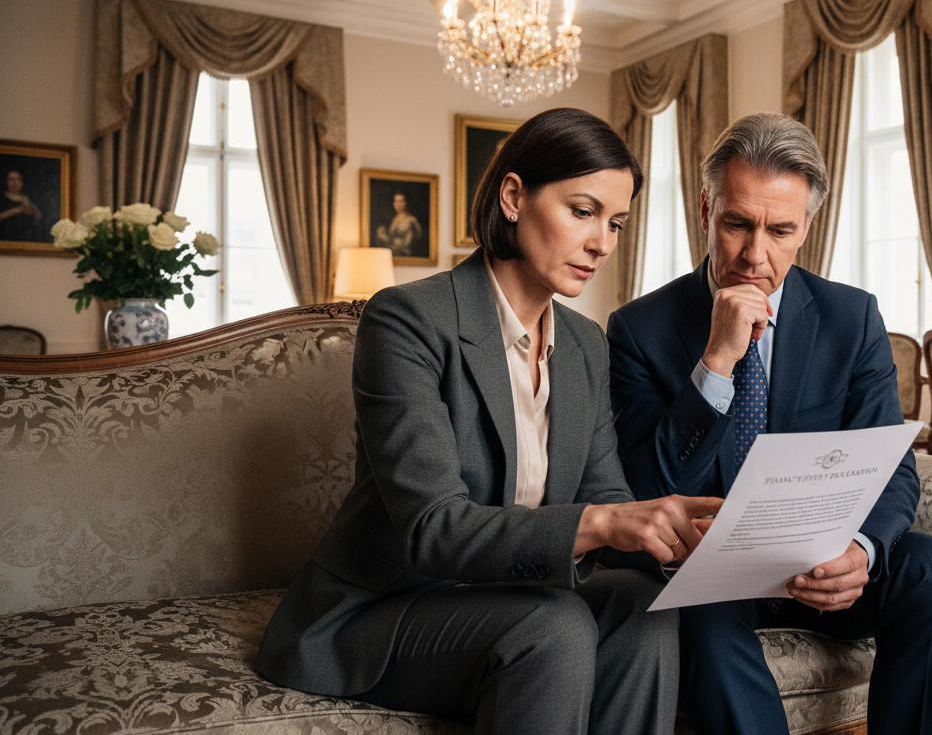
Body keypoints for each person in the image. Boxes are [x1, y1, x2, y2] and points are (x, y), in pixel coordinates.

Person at [257, 108, 721, 735]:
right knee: (552, 626)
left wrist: (679, 538)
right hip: (392, 602)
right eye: (582, 212)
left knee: (645, 605)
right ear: (513, 196)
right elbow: (433, 528)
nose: (602, 244)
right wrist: (605, 522)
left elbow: (605, 493)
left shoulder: (586, 344)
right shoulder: (408, 321)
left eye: (616, 223)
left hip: (516, 591)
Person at [607, 113, 932, 735]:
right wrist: (716, 362)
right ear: (705, 210)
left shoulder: (850, 317)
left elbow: (892, 468)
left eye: (780, 230)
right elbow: (645, 483)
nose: (755, 255)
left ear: (807, 226)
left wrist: (861, 549)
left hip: (823, 556)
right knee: (694, 619)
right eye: (737, 224)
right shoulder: (640, 329)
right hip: (711, 570)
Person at [0, 169, 44, 242]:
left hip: (27, 241)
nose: (15, 183)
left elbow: (39, 221)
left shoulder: (29, 199)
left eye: (19, 180)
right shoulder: (2, 197)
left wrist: (34, 212)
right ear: (6, 181)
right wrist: (17, 210)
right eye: (12, 179)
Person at [375, 192, 423, 257]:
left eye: (401, 201)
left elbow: (410, 242)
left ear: (406, 203)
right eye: (396, 201)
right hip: (393, 251)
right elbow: (391, 239)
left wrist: (394, 242)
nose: (398, 204)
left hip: (405, 254)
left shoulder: (411, 220)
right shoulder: (394, 219)